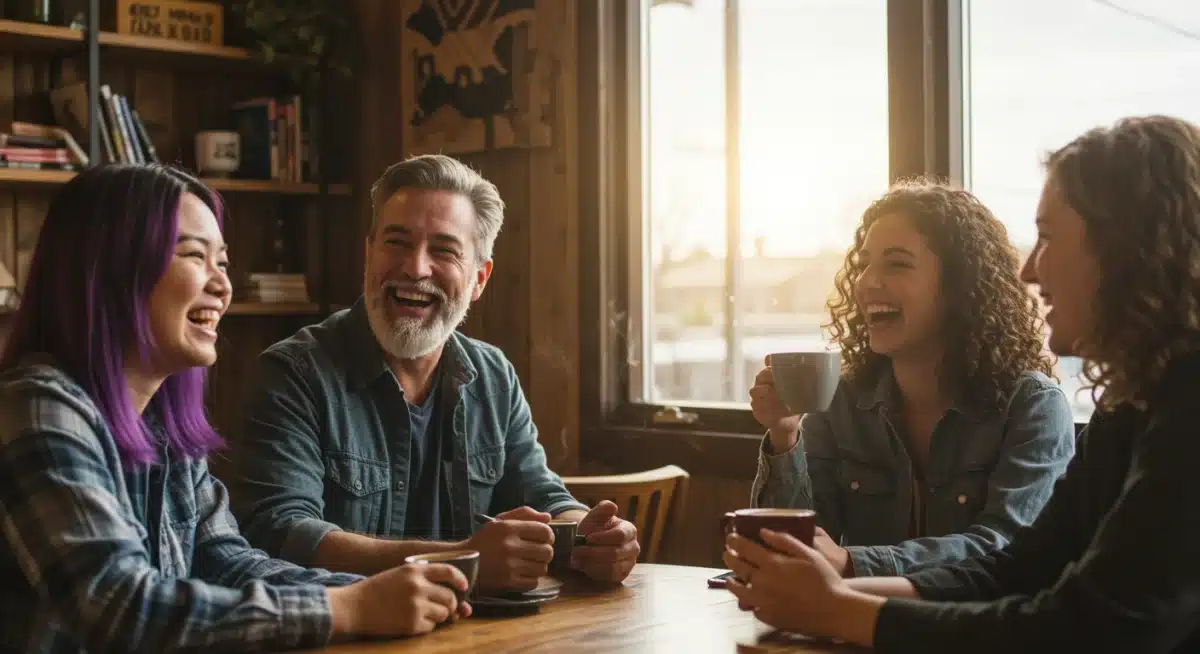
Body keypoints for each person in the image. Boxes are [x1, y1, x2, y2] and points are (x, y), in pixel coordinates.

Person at [723, 115, 1200, 652]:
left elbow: (1089, 628)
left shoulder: (1186, 411)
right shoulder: (1130, 406)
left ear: (1127, 248)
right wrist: (830, 596)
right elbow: (1019, 569)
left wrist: (843, 607)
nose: (1028, 272)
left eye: (1046, 238)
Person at [0, 165, 475, 653]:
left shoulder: (162, 429)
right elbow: (117, 604)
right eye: (194, 255)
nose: (222, 286)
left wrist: (382, 594)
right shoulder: (36, 409)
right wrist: (349, 608)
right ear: (110, 269)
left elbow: (226, 561)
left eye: (222, 262)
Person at [230, 154, 639, 592]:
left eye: (443, 250)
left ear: (479, 279)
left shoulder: (493, 376)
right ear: (369, 254)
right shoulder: (293, 373)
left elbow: (543, 496)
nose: (415, 268)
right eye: (397, 242)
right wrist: (464, 559)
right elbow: (281, 533)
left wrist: (592, 535)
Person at [748, 179, 1076, 576]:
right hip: (856, 613)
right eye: (864, 264)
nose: (866, 282)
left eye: (897, 264)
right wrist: (785, 435)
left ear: (959, 284)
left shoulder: (1033, 406)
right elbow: (796, 547)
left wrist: (854, 563)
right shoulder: (843, 400)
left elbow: (1004, 548)